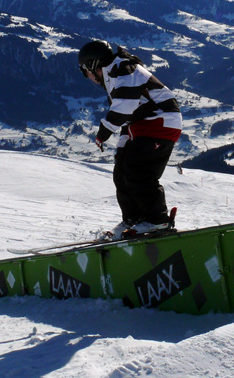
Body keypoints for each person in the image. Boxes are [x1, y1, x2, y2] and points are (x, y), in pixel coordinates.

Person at [77, 40, 182, 238]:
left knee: (138, 170)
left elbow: (125, 107)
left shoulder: (121, 69)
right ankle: (133, 219)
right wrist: (123, 147)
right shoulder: (114, 71)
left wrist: (104, 131)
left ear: (92, 65)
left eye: (85, 71)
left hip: (161, 122)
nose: (87, 77)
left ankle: (156, 220)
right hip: (145, 124)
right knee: (122, 171)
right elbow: (130, 116)